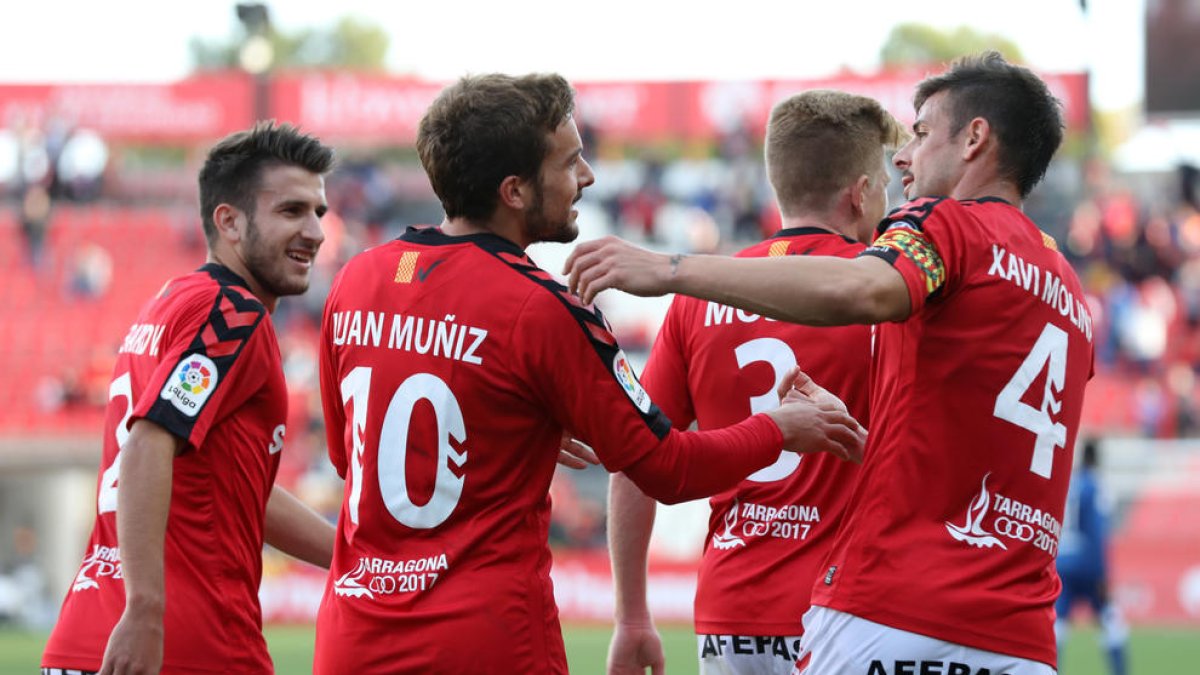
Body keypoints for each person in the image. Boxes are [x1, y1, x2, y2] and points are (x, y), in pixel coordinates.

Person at [312, 73, 867, 675]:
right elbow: (670, 468)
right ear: (515, 191)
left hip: (350, 640)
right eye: (570, 161)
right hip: (488, 643)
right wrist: (782, 428)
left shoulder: (357, 280)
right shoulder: (543, 308)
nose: (588, 177)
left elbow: (351, 458)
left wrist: (506, 430)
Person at [565, 52, 1095, 674]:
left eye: (921, 134)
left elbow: (861, 291)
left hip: (882, 609)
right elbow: (969, 449)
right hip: (1017, 634)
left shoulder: (943, 230)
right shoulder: (1070, 295)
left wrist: (671, 270)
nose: (904, 158)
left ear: (976, 139)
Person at [606, 90, 907, 675]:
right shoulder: (885, 300)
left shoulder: (702, 298)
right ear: (863, 191)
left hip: (731, 613)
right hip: (848, 612)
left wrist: (633, 616)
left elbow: (633, 461)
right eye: (884, 185)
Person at [41, 121, 338, 675]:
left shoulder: (172, 302)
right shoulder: (231, 315)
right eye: (292, 211)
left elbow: (239, 490)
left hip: (87, 638)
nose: (315, 231)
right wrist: (147, 610)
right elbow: (149, 442)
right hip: (184, 643)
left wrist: (355, 558)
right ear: (228, 220)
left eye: (318, 212)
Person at [1056, 438, 1129, 675]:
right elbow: (1097, 533)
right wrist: (1103, 574)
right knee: (1111, 622)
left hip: (1062, 561)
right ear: (1097, 459)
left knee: (1057, 627)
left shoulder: (1069, 483)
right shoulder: (1095, 486)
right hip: (1087, 563)